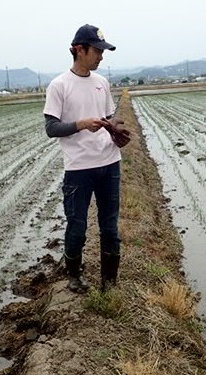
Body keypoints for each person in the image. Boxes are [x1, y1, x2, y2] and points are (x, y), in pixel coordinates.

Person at [43, 24, 131, 292]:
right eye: (97, 50)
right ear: (79, 50)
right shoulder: (59, 86)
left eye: (103, 51)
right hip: (79, 168)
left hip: (109, 162)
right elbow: (51, 128)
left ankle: (110, 281)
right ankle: (74, 275)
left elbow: (106, 116)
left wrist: (113, 126)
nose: (101, 56)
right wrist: (81, 124)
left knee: (110, 227)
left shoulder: (102, 83)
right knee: (77, 226)